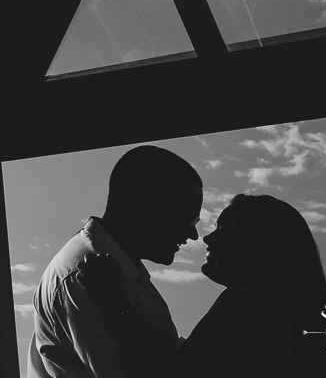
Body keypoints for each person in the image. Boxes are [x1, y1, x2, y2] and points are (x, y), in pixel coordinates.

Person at [79, 193, 326, 377]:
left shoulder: (248, 306)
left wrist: (116, 305)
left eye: (224, 230)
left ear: (260, 244)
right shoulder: (278, 314)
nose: (207, 239)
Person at [26, 145, 203, 377]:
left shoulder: (115, 269)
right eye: (187, 218)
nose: (193, 235)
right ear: (145, 203)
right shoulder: (84, 276)